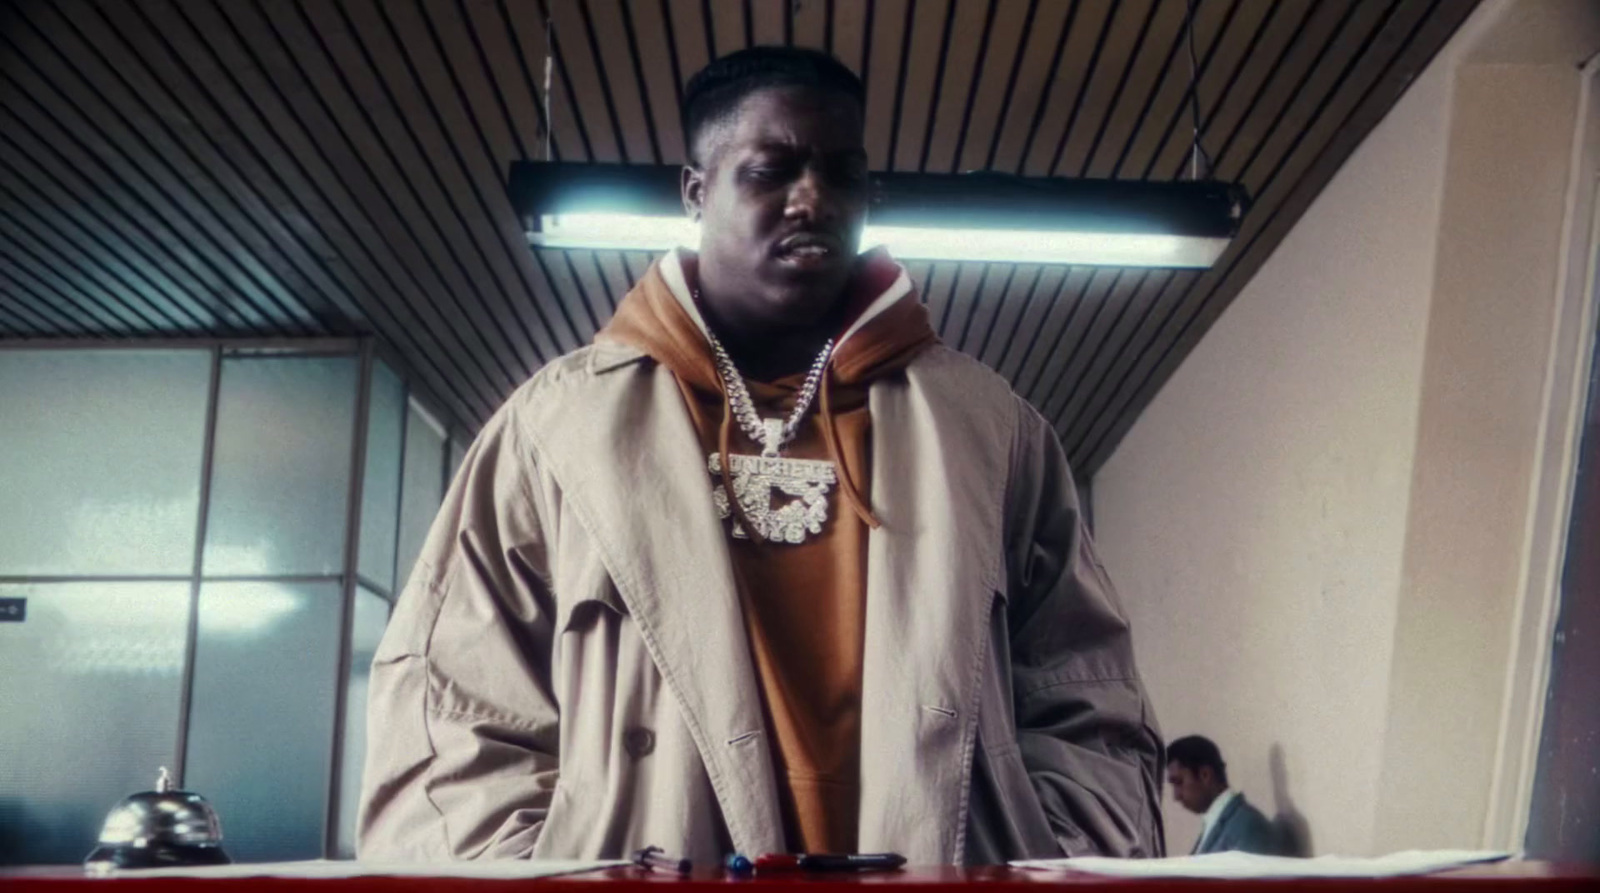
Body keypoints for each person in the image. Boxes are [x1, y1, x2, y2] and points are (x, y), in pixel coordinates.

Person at [357, 46, 1163, 865]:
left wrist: (1049, 858)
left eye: (842, 174)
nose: (812, 199)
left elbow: (1087, 689)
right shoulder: (557, 428)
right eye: (770, 171)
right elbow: (452, 703)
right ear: (696, 191)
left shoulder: (991, 428)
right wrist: (536, 872)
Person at [1166, 736, 1281, 856]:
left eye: (1179, 782)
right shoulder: (1219, 822)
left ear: (1205, 775)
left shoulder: (1248, 825)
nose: (1176, 796)